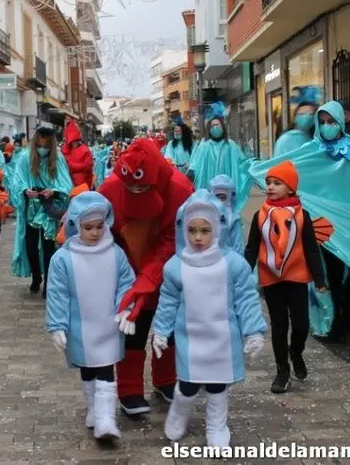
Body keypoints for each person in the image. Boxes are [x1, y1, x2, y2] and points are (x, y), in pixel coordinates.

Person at [248, 100, 350, 343]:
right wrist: (259, 170)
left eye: (331, 121)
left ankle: (348, 314)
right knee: (332, 273)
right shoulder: (312, 149)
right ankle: (335, 321)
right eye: (322, 122)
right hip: (326, 226)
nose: (327, 126)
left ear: (341, 121)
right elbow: (288, 169)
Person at [151, 190, 267, 446]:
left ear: (217, 229)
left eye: (205, 230)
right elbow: (168, 301)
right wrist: (161, 330)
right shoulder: (176, 266)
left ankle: (217, 427)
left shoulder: (233, 264)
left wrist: (254, 331)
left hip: (222, 338)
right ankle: (179, 412)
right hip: (190, 338)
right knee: (188, 384)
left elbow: (246, 298)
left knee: (218, 386)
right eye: (192, 230)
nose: (198, 237)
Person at [99, 139, 194, 416]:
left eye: (142, 187)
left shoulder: (180, 190)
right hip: (127, 267)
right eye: (132, 187)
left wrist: (149, 277)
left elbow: (174, 239)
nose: (137, 191)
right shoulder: (110, 190)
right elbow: (104, 233)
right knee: (133, 327)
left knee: (170, 327)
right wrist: (127, 277)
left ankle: (165, 380)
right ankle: (129, 389)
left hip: (170, 269)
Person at [45, 192, 136, 441]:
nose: (95, 233)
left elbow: (126, 283)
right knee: (87, 368)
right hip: (80, 327)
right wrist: (57, 325)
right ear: (76, 225)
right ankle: (94, 409)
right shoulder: (63, 258)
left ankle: (106, 418)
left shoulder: (115, 253)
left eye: (99, 226)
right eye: (88, 228)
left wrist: (125, 308)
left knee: (106, 368)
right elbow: (58, 293)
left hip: (108, 325)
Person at [243, 160, 326, 393]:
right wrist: (242, 274)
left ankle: (296, 351)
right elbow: (251, 249)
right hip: (271, 278)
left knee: (301, 324)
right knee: (279, 325)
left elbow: (311, 248)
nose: (270, 186)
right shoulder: (260, 216)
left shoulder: (302, 216)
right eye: (268, 182)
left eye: (277, 183)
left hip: (297, 277)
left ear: (290, 188)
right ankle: (282, 371)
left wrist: (319, 278)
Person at [11, 124, 73, 298]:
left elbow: (66, 185)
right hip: (31, 209)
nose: (42, 149)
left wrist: (54, 191)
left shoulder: (58, 159)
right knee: (30, 246)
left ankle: (48, 284)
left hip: (49, 210)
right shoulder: (25, 158)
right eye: (39, 146)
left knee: (48, 248)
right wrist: (25, 190)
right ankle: (36, 276)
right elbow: (17, 181)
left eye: (46, 146)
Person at [187, 102, 252, 213]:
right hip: (208, 186)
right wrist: (191, 171)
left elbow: (242, 162)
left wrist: (252, 165)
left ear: (223, 127)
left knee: (225, 212)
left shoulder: (230, 145)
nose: (215, 128)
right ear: (209, 129)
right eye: (212, 126)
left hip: (225, 189)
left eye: (217, 125)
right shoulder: (204, 145)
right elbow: (196, 161)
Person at [209, 175, 245, 255]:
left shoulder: (233, 218)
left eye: (223, 197)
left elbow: (237, 245)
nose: (219, 201)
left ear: (229, 198)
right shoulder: (206, 214)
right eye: (217, 197)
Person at [61, 121, 94, 188]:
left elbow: (88, 166)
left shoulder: (85, 150)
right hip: (68, 182)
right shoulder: (66, 150)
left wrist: (71, 165)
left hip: (81, 184)